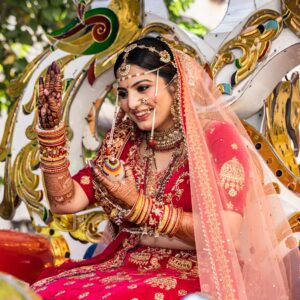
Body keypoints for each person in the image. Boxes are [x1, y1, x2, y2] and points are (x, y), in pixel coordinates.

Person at [31, 36, 299, 300]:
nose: (132, 103)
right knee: (39, 293)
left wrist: (139, 206)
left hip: (197, 272)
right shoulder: (123, 142)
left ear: (174, 85)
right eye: (123, 93)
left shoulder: (216, 137)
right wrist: (51, 136)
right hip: (123, 265)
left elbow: (224, 232)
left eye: (143, 88)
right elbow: (65, 201)